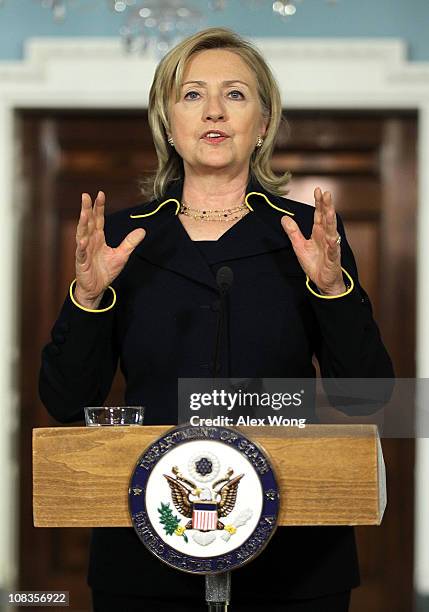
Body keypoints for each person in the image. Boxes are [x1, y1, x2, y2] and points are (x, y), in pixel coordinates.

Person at [39, 27, 394, 612]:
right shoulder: (124, 238)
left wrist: (332, 289)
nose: (213, 110)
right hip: (146, 554)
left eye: (235, 94)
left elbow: (368, 395)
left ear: (263, 124)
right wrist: (87, 296)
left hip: (295, 557)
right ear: (168, 123)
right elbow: (65, 399)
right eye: (191, 94)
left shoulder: (307, 234)